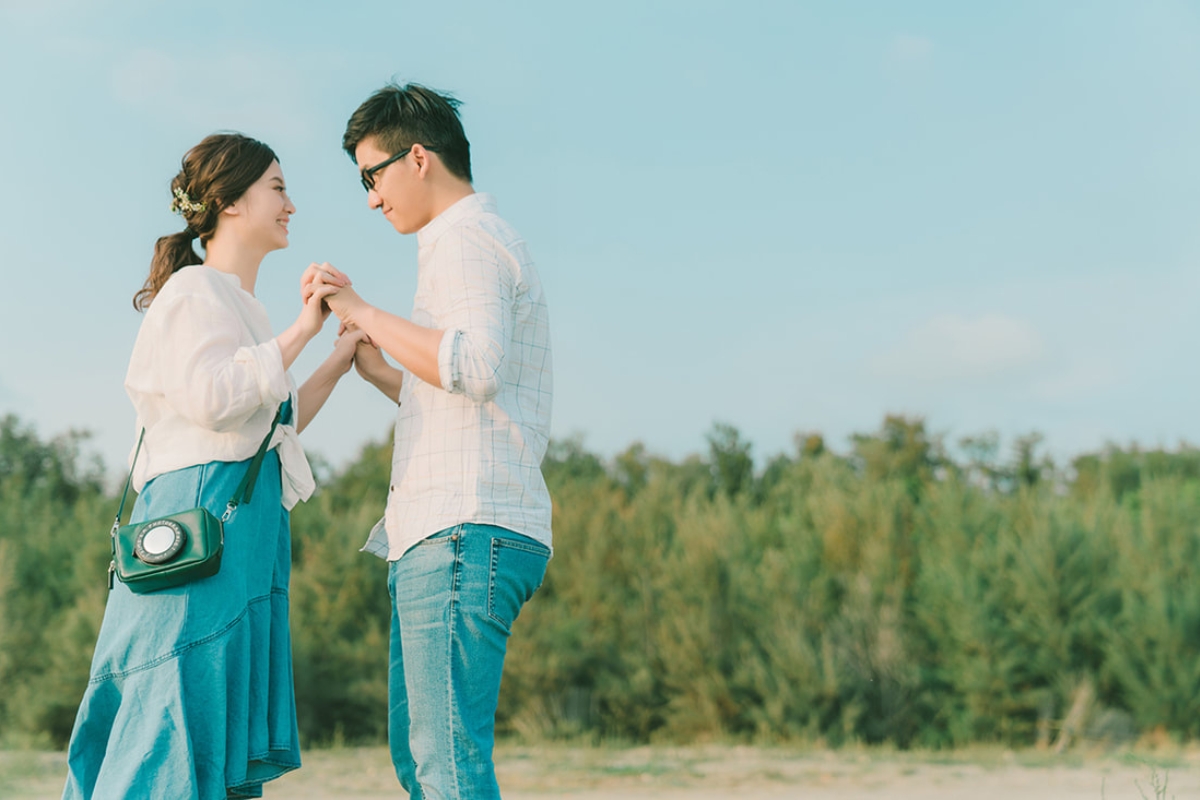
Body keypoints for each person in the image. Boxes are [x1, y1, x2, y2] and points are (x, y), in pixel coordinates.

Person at [62, 132, 360, 800]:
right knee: (167, 726)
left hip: (238, 532)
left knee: (207, 740)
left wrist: (335, 361)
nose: (291, 204)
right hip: (202, 530)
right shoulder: (195, 291)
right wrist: (303, 330)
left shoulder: (241, 308)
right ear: (230, 201)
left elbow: (265, 432)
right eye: (278, 187)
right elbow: (214, 398)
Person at [306, 82, 554, 799]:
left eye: (370, 175)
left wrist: (362, 311)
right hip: (454, 529)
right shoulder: (469, 242)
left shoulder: (465, 240)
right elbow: (467, 395)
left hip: (463, 529)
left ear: (417, 158)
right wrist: (382, 368)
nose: (370, 198)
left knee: (445, 763)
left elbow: (471, 366)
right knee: (425, 761)